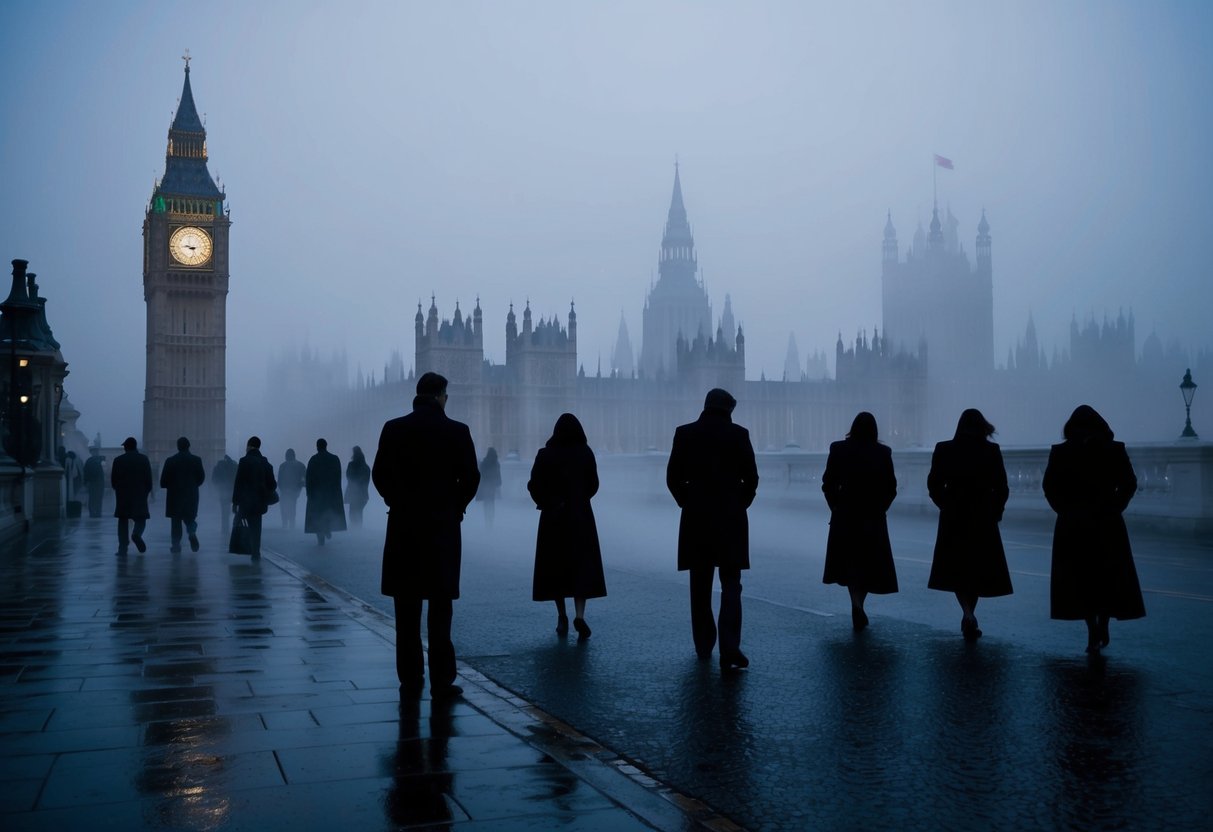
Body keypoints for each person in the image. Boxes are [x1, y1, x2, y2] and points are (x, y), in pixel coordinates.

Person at [372, 372, 479, 699]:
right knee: (440, 609)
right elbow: (472, 478)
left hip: (404, 528)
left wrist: (396, 500)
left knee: (406, 611)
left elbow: (378, 475)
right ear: (440, 396)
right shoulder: (457, 431)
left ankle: (410, 678)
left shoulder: (393, 429)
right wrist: (455, 506)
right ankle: (442, 681)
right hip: (442, 530)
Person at [667, 388, 759, 671]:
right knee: (731, 584)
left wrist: (688, 501)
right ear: (728, 409)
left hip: (696, 519)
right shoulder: (738, 434)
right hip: (730, 519)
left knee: (700, 585)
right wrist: (739, 504)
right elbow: (752, 479)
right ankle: (730, 648)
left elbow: (673, 478)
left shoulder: (685, 433)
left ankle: (704, 645)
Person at [1043, 405, 1146, 654]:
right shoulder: (1114, 449)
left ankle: (1092, 629)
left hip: (1073, 524)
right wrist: (1115, 507)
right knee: (1107, 577)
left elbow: (1049, 487)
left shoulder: (1061, 452)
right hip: (1107, 522)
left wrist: (1064, 510)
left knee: (1082, 579)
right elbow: (1129, 484)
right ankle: (1104, 622)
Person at [926, 409, 1012, 639]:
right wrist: (996, 511)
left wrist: (945, 504)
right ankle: (970, 613)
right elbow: (1002, 487)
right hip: (982, 515)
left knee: (957, 567)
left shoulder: (945, 449)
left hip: (954, 514)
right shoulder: (991, 451)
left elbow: (934, 484)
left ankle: (967, 612)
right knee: (976, 568)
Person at [527, 415, 607, 639]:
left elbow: (533, 485)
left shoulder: (545, 454)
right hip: (580, 517)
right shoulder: (585, 453)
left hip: (553, 518)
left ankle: (561, 615)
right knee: (580, 568)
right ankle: (579, 616)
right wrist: (580, 499)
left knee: (555, 568)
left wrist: (548, 502)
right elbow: (594, 484)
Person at [821, 411, 898, 630]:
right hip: (872, 515)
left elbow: (828, 483)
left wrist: (835, 506)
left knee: (850, 562)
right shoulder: (883, 452)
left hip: (845, 514)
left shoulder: (838, 449)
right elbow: (890, 487)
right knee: (866, 563)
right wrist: (881, 508)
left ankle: (855, 603)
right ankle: (859, 604)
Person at [232, 436, 277, 558]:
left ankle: (243, 547)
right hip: (259, 501)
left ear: (249, 446)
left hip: (245, 501)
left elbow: (238, 483)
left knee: (243, 523)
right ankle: (256, 552)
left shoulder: (244, 461)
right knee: (256, 526)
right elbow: (273, 484)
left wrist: (235, 502)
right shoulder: (265, 462)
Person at [159, 436, 206, 553]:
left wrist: (171, 485)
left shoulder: (170, 461)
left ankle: (176, 545)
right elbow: (201, 478)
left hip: (174, 496)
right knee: (190, 518)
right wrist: (193, 486)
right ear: (189, 446)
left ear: (177, 447)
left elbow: (163, 481)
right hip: (191, 495)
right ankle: (191, 533)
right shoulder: (197, 460)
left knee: (176, 522)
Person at [111, 436, 152, 556]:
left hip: (123, 495)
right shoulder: (144, 459)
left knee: (123, 521)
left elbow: (113, 480)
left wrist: (118, 489)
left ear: (126, 447)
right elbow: (148, 480)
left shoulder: (118, 460)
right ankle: (136, 534)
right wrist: (147, 492)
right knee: (141, 519)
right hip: (139, 494)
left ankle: (122, 548)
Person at [305, 438, 347, 545]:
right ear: (326, 445)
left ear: (317, 446)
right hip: (331, 493)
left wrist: (309, 493)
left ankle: (321, 538)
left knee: (318, 514)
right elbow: (338, 477)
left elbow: (309, 478)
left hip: (317, 494)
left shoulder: (313, 460)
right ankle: (327, 528)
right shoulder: (334, 459)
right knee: (328, 512)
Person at [277, 448, 306, 529]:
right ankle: (292, 523)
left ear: (286, 456)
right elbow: (303, 479)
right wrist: (299, 488)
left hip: (284, 490)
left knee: (284, 507)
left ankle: (284, 523)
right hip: (294, 491)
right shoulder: (301, 465)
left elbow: (279, 480)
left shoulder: (282, 466)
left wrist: (281, 488)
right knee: (293, 506)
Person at [345, 446, 371, 529]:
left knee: (352, 511)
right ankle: (358, 529)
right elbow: (366, 481)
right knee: (359, 512)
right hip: (363, 494)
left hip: (353, 493)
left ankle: (354, 529)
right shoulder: (366, 467)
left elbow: (349, 477)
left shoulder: (351, 465)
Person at [476, 447, 502, 527]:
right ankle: (490, 521)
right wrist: (497, 483)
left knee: (486, 505)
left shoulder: (484, 463)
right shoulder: (496, 462)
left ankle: (487, 521)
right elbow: (498, 475)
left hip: (485, 486)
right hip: (492, 487)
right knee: (491, 504)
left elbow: (480, 475)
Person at [212, 454, 237, 535]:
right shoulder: (234, 466)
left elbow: (214, 479)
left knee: (224, 512)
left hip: (223, 491)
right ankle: (236, 528)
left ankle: (225, 529)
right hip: (233, 491)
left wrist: (219, 486)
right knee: (237, 511)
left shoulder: (218, 467)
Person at [83, 447, 106, 518]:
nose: (96, 452)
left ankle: (96, 512)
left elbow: (86, 472)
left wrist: (85, 482)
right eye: (95, 451)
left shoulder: (92, 461)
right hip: (94, 482)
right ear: (92, 452)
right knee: (94, 498)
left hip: (96, 482)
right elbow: (86, 472)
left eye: (96, 451)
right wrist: (86, 482)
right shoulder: (96, 461)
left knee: (95, 498)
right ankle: (95, 513)